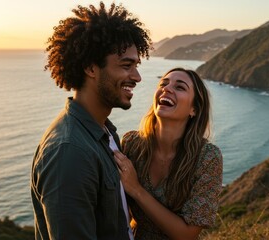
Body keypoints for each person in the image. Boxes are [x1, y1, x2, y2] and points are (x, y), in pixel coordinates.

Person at [30, 2, 152, 239]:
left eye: (136, 65)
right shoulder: (69, 152)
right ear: (90, 68)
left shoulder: (105, 132)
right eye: (127, 65)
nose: (137, 77)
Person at [114, 68, 223, 239]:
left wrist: (137, 190)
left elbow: (187, 234)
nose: (167, 89)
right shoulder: (131, 144)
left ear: (193, 109)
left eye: (180, 87)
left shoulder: (207, 157)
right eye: (163, 84)